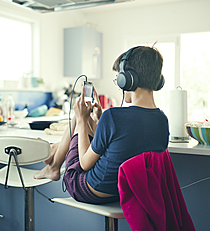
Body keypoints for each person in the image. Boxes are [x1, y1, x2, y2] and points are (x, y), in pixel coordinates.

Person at [34, 45, 170, 204]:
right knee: (88, 118)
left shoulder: (113, 116)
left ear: (127, 80)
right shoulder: (162, 120)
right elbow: (117, 146)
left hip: (90, 191)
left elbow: (84, 164)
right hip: (127, 193)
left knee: (80, 116)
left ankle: (53, 167)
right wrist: (99, 121)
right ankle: (55, 158)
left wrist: (82, 119)